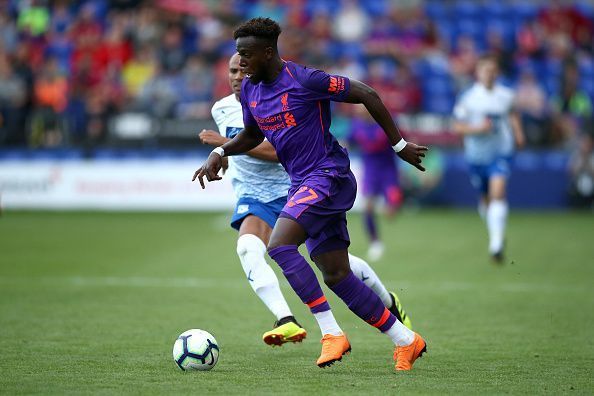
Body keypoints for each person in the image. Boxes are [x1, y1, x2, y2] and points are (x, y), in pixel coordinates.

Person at [193, 18, 427, 371]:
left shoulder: (304, 80)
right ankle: (406, 340)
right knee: (336, 275)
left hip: (328, 175)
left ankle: (331, 333)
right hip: (302, 181)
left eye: (245, 54)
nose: (240, 63)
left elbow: (367, 94)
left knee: (280, 245)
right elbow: (253, 135)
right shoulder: (253, 91)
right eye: (237, 54)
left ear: (268, 52)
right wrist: (221, 152)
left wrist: (398, 144)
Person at [452, 54, 525, 263]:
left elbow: (513, 113)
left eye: (493, 70)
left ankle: (496, 244)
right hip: (477, 156)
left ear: (497, 72)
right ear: (478, 73)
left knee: (498, 192)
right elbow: (457, 126)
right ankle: (494, 227)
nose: (489, 74)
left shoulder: (506, 95)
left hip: (501, 151)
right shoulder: (468, 98)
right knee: (485, 199)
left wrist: (518, 133)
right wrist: (478, 128)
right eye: (486, 70)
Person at [348, 105, 403, 261]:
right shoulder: (356, 124)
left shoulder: (386, 121)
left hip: (388, 171)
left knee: (391, 211)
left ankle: (392, 204)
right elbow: (348, 141)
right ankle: (375, 243)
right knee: (368, 207)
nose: (357, 110)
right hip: (370, 171)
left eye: (360, 107)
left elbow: (401, 141)